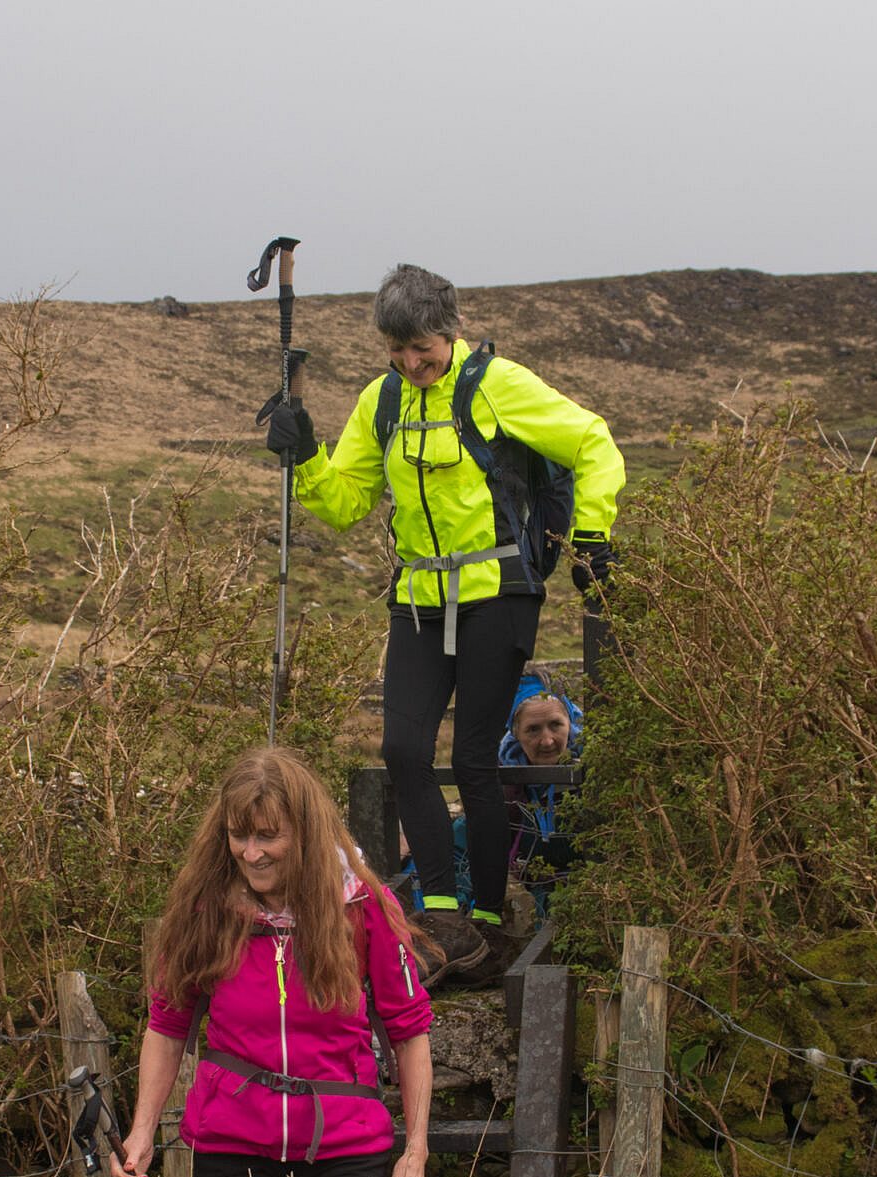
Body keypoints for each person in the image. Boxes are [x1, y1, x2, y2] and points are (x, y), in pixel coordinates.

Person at [266, 263, 624, 988]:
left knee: (473, 758)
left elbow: (593, 440)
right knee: (402, 749)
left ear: (451, 332)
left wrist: (592, 533)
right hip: (419, 596)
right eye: (396, 350)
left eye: (422, 349)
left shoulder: (497, 386)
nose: (410, 363)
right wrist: (305, 454)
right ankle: (437, 913)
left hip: (500, 592)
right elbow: (345, 501)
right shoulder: (382, 400)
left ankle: (485, 917)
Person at [110, 746, 433, 1177]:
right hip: (234, 1151)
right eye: (239, 836)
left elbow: (409, 1030)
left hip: (346, 1150)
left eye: (268, 836)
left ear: (304, 833)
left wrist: (414, 1154)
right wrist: (142, 1132)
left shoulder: (363, 907)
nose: (251, 853)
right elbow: (168, 1023)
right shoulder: (203, 909)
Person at [498, 669, 583, 920]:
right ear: (516, 733)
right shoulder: (504, 781)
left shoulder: (595, 771)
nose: (547, 741)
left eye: (555, 725)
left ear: (570, 723)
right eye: (533, 730)